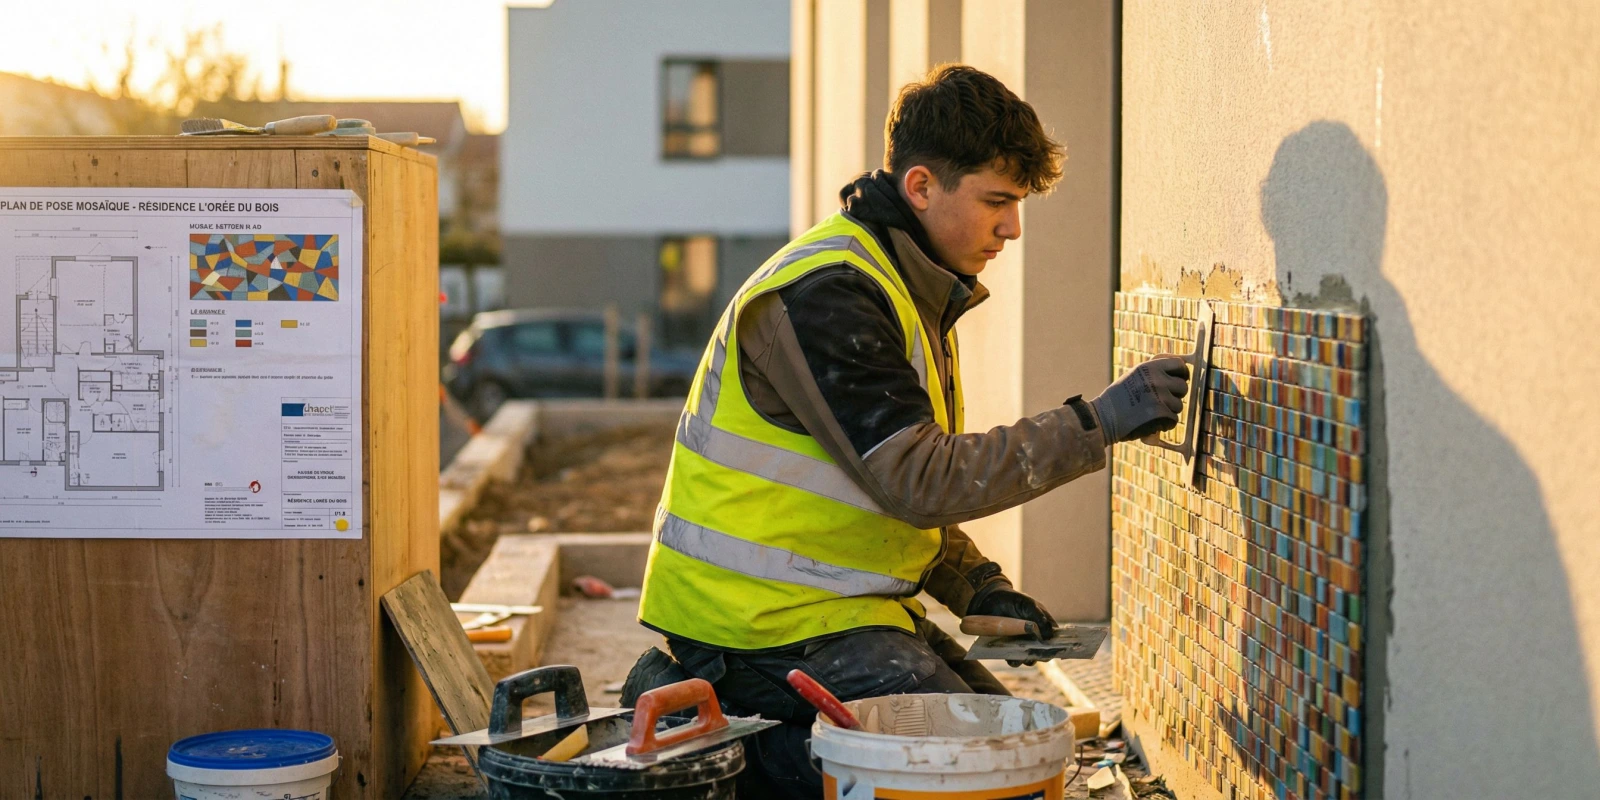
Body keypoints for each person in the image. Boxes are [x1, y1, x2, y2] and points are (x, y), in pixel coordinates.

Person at [622, 64, 1189, 798]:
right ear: (921, 187)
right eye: (997, 202)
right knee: (955, 778)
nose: (1012, 227)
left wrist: (976, 584)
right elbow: (918, 480)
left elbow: (873, 492)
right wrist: (1097, 424)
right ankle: (725, 758)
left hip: (828, 614)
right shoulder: (830, 296)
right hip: (751, 628)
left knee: (1014, 752)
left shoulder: (900, 281)